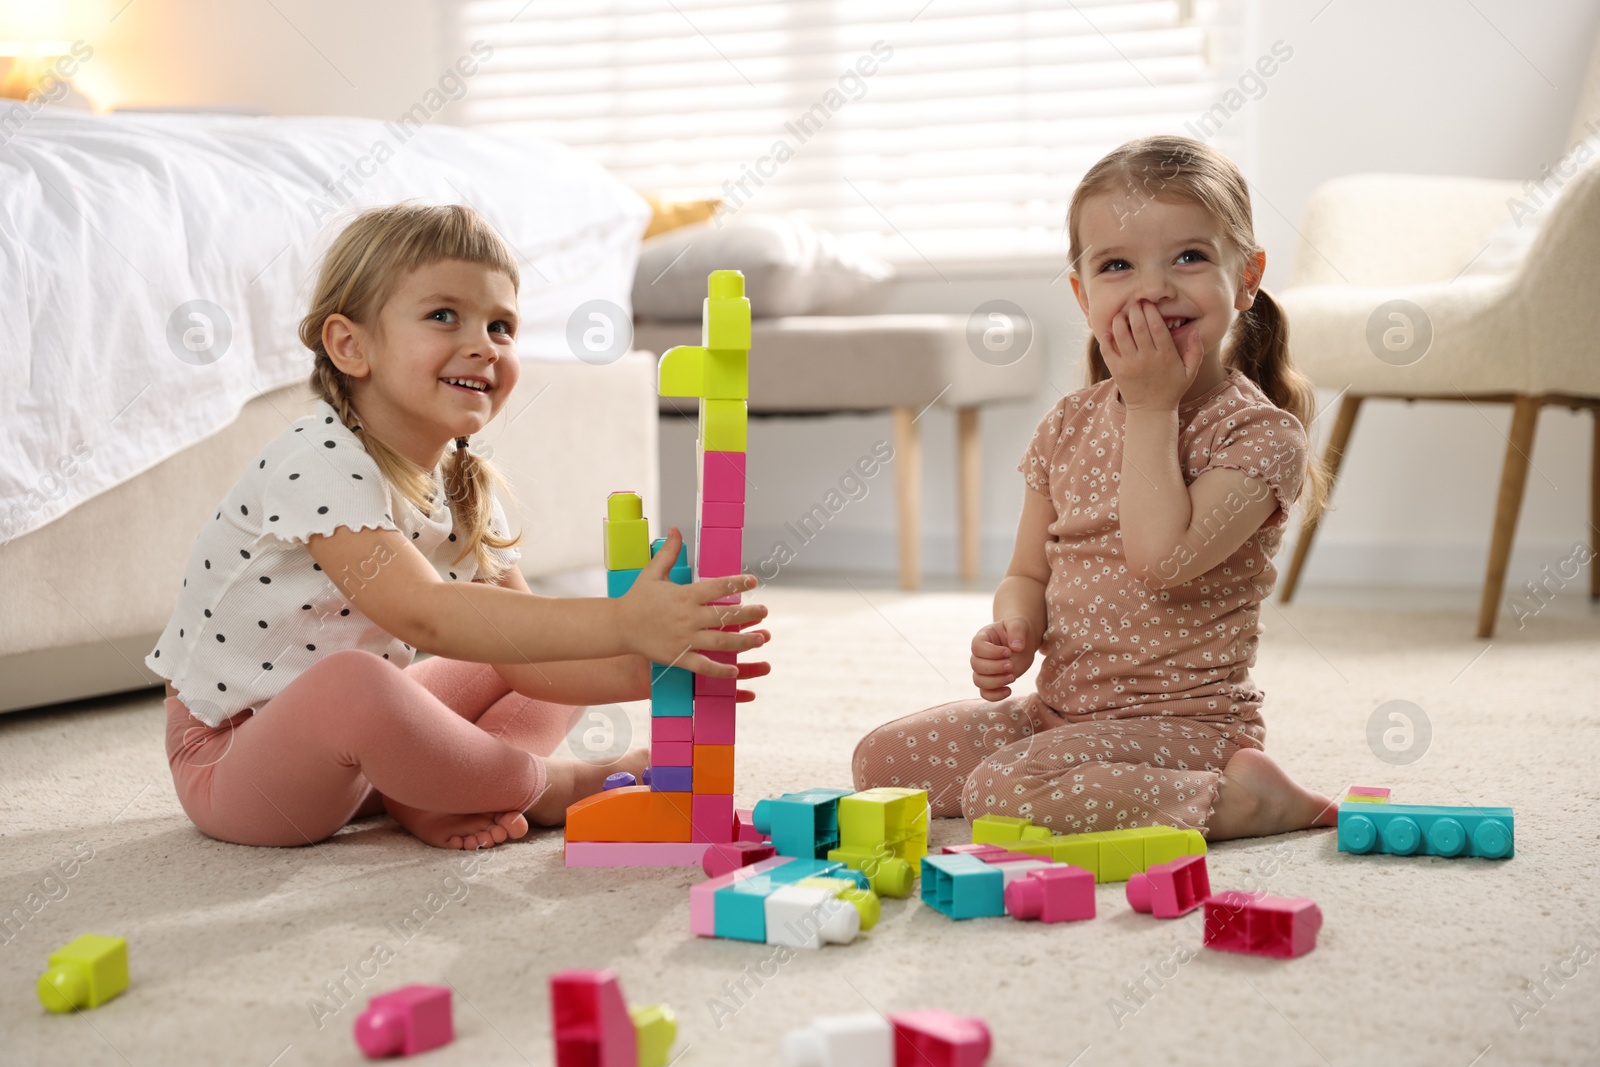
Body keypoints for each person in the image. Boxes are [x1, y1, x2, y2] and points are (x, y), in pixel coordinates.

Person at [147, 203, 768, 851]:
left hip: (363, 757)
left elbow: (531, 663)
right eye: (444, 315)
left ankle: (436, 790)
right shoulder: (317, 459)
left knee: (543, 639)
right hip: (239, 764)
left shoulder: (464, 481)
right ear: (350, 345)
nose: (483, 344)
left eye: (501, 326)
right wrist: (621, 620)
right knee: (358, 683)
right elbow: (426, 615)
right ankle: (552, 784)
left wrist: (653, 664)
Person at [853, 135, 1336, 841]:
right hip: (1061, 709)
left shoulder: (1259, 437)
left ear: (1247, 276)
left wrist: (1151, 405)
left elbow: (1159, 557)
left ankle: (1246, 799)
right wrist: (1015, 627)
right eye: (1117, 265)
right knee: (880, 764)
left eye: (1189, 257)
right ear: (1084, 295)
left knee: (1002, 792)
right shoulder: (1067, 426)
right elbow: (1027, 570)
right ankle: (1090, 770)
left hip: (1187, 725)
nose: (1153, 287)